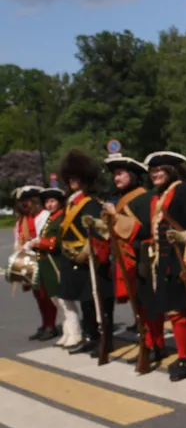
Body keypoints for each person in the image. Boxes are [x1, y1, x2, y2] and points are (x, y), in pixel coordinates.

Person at [135, 151, 186, 381]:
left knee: (179, 311)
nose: (155, 174)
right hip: (164, 259)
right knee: (179, 309)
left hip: (180, 258)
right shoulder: (160, 194)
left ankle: (185, 357)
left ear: (170, 171)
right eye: (153, 171)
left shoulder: (182, 190)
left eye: (160, 170)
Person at [50, 150, 112, 357]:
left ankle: (103, 339)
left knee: (95, 302)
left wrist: (88, 251)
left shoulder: (90, 203)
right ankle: (89, 336)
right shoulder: (70, 203)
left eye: (76, 178)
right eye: (70, 178)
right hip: (73, 259)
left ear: (85, 179)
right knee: (85, 303)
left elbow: (99, 231)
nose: (72, 182)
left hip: (89, 259)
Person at [101, 154, 150, 334]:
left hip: (140, 256)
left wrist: (115, 216)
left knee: (145, 302)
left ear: (132, 174)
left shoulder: (143, 197)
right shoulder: (120, 197)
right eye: (115, 174)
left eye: (121, 173)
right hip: (124, 256)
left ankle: (154, 342)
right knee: (136, 300)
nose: (116, 178)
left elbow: (145, 230)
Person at [32, 187, 81, 348]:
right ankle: (67, 332)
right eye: (47, 202)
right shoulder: (51, 218)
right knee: (56, 301)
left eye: (52, 201)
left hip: (58, 263)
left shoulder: (62, 217)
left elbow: (59, 241)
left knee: (64, 301)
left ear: (59, 202)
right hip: (48, 264)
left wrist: (42, 243)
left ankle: (75, 333)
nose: (49, 205)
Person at [13, 185, 58, 341]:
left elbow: (40, 238)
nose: (23, 204)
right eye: (21, 201)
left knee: (47, 295)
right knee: (38, 296)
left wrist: (25, 246)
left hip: (43, 259)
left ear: (34, 201)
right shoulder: (21, 221)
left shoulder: (43, 215)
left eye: (26, 200)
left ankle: (51, 326)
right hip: (29, 261)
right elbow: (18, 239)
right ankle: (45, 323)